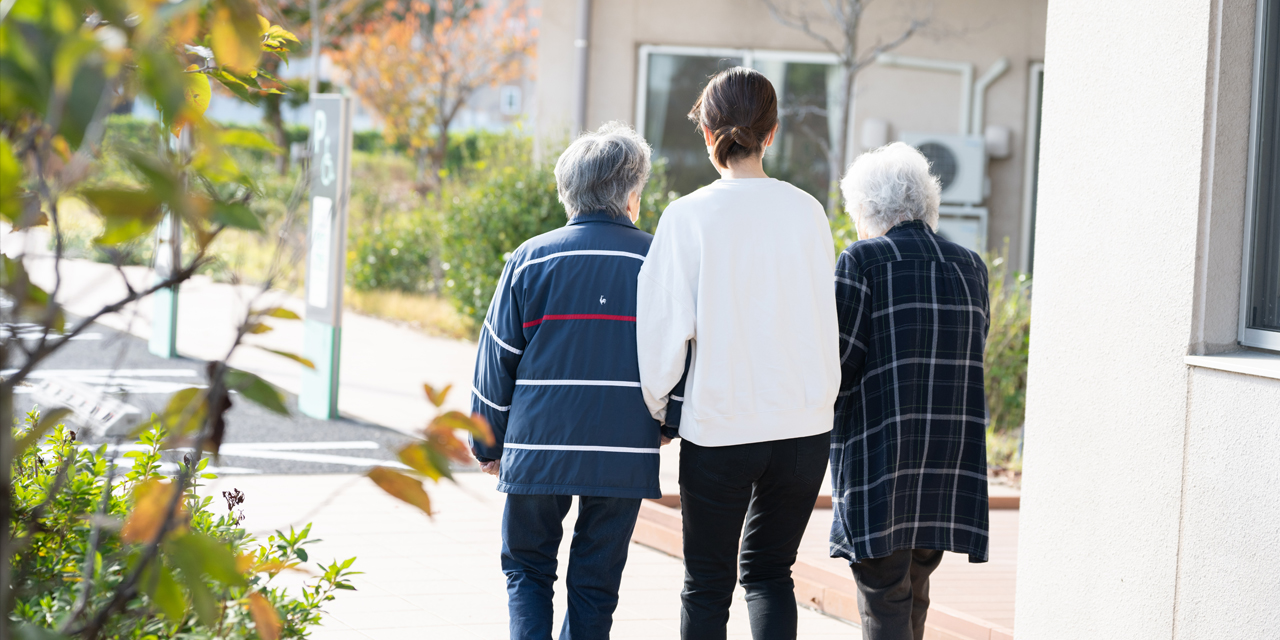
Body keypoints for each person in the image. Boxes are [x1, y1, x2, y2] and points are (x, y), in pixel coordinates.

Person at [636, 67, 840, 640]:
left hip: (721, 425)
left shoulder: (688, 216)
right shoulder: (809, 212)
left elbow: (661, 333)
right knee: (771, 574)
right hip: (803, 426)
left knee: (707, 583)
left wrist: (657, 410)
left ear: (707, 132)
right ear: (772, 133)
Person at [469, 122, 669, 640]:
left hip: (539, 444)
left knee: (527, 569)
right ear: (631, 194)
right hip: (625, 449)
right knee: (596, 583)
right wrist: (667, 423)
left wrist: (487, 441)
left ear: (568, 192)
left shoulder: (530, 258)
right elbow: (682, 353)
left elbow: (496, 361)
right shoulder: (660, 262)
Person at [830, 142, 991, 640]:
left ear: (869, 209)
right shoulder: (971, 266)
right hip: (945, 465)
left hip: (882, 462)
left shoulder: (863, 261)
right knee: (913, 589)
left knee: (884, 598)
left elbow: (837, 364)